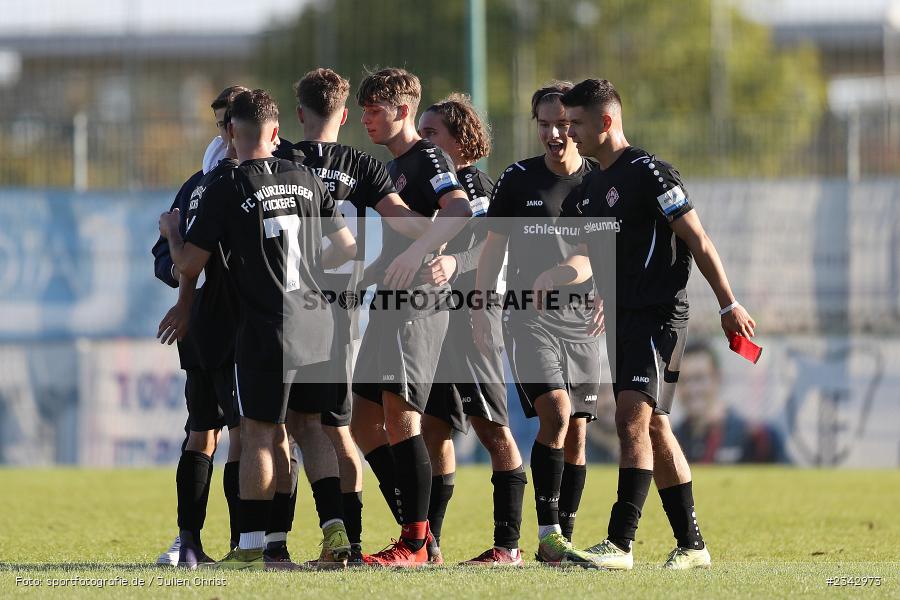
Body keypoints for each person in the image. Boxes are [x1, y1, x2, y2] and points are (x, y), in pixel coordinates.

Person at [549, 78, 757, 570]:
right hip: (621, 320)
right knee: (656, 427)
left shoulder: (650, 172)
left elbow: (698, 239)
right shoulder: (591, 186)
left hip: (659, 317)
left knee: (629, 420)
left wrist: (729, 305)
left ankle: (620, 543)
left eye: (576, 123)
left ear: (606, 121)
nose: (569, 133)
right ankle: (693, 545)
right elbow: (598, 251)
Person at [159, 89, 356, 570]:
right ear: (275, 132)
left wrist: (172, 231)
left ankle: (250, 549)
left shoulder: (227, 183)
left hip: (268, 327)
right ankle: (337, 536)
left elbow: (187, 263)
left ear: (230, 133)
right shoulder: (304, 175)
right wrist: (309, 266)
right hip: (317, 321)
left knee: (260, 433)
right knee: (312, 430)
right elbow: (347, 246)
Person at [273, 67, 430, 566]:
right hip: (341, 313)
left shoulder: (278, 162)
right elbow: (402, 222)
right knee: (338, 429)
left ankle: (267, 540)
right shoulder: (364, 166)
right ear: (343, 114)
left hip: (284, 309)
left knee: (278, 428)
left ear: (299, 114)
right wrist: (451, 235)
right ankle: (350, 545)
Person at [472, 82, 602, 568]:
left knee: (578, 432)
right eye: (544, 124)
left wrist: (563, 273)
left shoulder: (597, 182)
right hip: (528, 317)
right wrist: (481, 307)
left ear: (579, 125)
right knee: (556, 413)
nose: (553, 133)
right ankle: (548, 533)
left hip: (583, 321)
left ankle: (562, 535)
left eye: (563, 124)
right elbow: (492, 250)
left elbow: (594, 257)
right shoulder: (517, 179)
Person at [349, 67, 472, 567]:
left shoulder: (428, 155)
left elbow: (459, 211)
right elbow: (406, 238)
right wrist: (370, 273)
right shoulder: (394, 167)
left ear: (402, 110)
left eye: (374, 111)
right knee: (362, 419)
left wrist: (418, 251)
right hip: (390, 298)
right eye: (362, 112)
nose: (366, 121)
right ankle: (414, 526)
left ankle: (416, 542)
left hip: (420, 301)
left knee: (402, 414)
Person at [417, 94, 527, 567]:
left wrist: (453, 261)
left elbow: (488, 247)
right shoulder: (431, 188)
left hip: (472, 319)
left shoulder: (476, 184)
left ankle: (508, 546)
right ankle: (428, 544)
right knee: (433, 429)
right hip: (433, 321)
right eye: (420, 134)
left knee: (493, 430)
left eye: (432, 134)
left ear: (459, 139)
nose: (424, 143)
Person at [151, 85, 248, 568]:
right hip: (208, 327)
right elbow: (164, 256)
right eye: (219, 122)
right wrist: (182, 269)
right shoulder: (200, 183)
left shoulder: (253, 178)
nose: (225, 130)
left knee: (245, 431)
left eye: (230, 118)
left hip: (244, 324)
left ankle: (243, 542)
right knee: (205, 430)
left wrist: (187, 261)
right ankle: (190, 541)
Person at [675, 341, 784, 464]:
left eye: (699, 378)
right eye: (683, 381)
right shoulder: (671, 440)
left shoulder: (755, 438)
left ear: (718, 378)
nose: (691, 389)